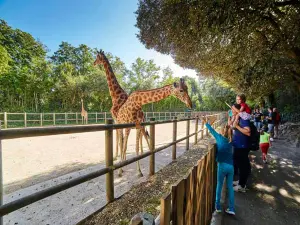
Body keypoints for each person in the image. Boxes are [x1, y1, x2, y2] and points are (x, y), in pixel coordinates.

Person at [204, 116, 235, 215]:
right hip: (231, 167)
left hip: (222, 166)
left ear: (222, 131)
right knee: (230, 187)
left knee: (219, 185)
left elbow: (211, 130)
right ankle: (232, 208)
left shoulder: (220, 138)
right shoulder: (231, 141)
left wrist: (206, 123)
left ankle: (217, 206)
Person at [231, 103, 251, 193]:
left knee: (242, 166)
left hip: (242, 146)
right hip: (238, 146)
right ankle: (240, 182)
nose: (232, 111)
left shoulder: (244, 119)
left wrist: (237, 126)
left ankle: (242, 186)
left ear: (237, 110)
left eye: (233, 109)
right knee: (240, 165)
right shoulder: (238, 118)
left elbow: (248, 132)